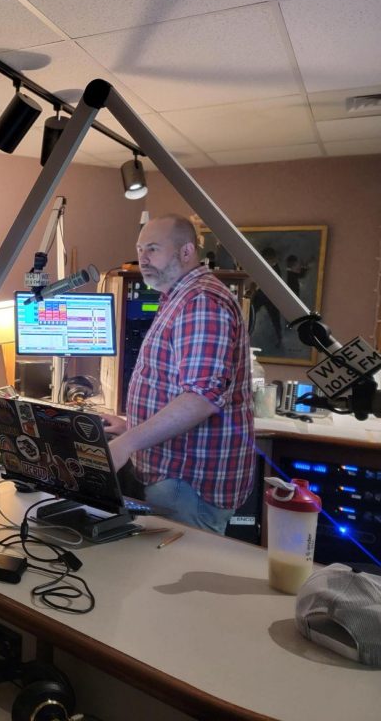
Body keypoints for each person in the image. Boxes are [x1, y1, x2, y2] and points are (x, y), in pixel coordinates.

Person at [103, 215, 256, 534]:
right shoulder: (179, 297)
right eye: (140, 248)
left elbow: (201, 398)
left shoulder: (200, 301)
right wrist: (131, 425)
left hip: (189, 484)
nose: (142, 258)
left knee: (173, 576)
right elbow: (176, 388)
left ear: (186, 252)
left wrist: (129, 442)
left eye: (153, 249)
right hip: (176, 475)